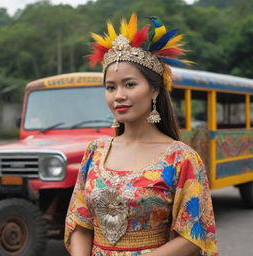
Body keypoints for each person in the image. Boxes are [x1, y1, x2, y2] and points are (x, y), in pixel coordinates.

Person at [64, 13, 218, 256]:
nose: (118, 96)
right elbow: (80, 222)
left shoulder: (181, 159)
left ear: (154, 90)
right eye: (110, 87)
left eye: (130, 84)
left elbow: (194, 234)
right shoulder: (96, 151)